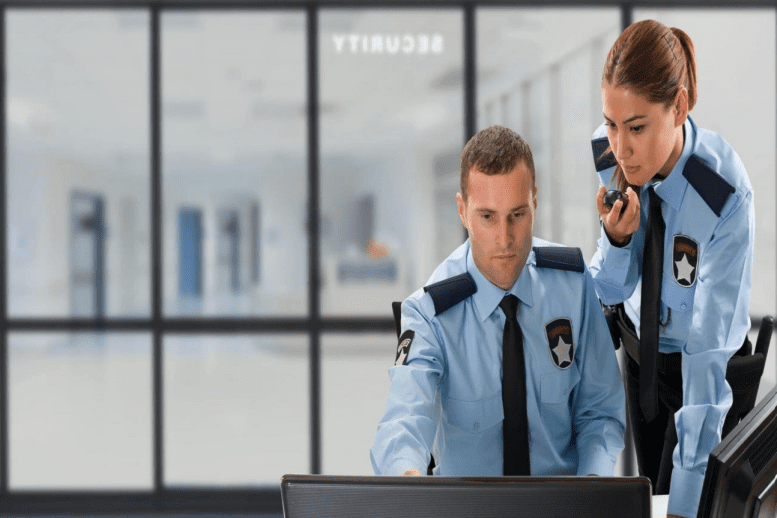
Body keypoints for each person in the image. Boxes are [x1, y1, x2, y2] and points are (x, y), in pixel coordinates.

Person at [370, 125, 626, 478]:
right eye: (487, 217)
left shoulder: (572, 283)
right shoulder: (430, 312)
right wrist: (411, 489)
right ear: (463, 211)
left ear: (535, 201)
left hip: (561, 506)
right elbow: (404, 424)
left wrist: (592, 488)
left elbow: (599, 410)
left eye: (517, 215)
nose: (504, 239)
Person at [589, 19, 754, 518]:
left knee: (689, 500)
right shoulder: (609, 152)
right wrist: (617, 239)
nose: (620, 146)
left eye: (636, 127)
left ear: (678, 107)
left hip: (704, 368)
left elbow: (707, 351)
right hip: (643, 358)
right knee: (647, 495)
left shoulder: (723, 194)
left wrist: (687, 503)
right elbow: (613, 288)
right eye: (612, 124)